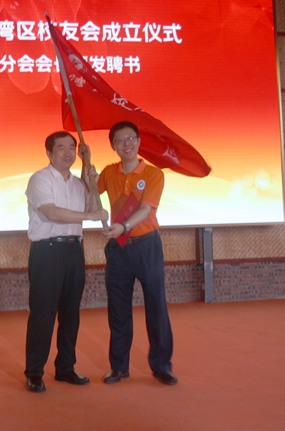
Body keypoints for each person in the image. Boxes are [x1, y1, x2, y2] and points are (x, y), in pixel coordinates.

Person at [88, 121, 178, 386]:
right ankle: (118, 367)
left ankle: (162, 366)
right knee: (118, 309)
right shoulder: (109, 172)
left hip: (146, 245)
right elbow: (92, 195)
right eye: (120, 140)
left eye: (130, 139)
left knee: (156, 307)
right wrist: (87, 170)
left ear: (138, 142)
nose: (126, 144)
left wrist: (123, 227)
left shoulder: (152, 174)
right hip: (118, 249)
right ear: (113, 146)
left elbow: (146, 209)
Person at [24, 131, 109, 393]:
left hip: (74, 250)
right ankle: (34, 372)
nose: (68, 152)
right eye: (61, 148)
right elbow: (51, 213)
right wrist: (91, 215)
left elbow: (93, 207)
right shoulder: (40, 179)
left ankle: (65, 367)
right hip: (47, 251)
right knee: (43, 314)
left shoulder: (77, 184)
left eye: (72, 147)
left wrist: (91, 182)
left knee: (71, 314)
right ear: (49, 153)